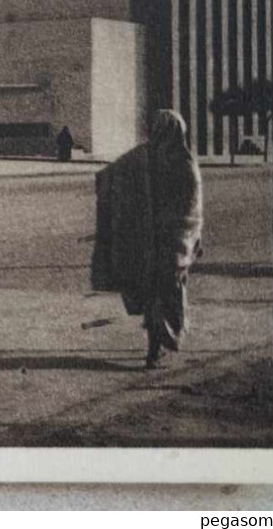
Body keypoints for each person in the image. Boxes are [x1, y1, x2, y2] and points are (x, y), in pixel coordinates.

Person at [90, 110, 204, 368]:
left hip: (148, 240)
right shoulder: (184, 163)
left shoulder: (143, 157)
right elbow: (194, 210)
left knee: (155, 293)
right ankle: (156, 348)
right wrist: (194, 238)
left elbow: (110, 176)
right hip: (173, 243)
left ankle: (156, 346)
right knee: (166, 292)